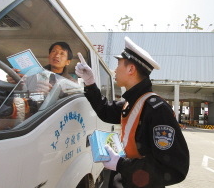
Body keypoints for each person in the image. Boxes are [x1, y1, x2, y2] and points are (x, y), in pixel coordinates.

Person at [75, 37, 190, 188]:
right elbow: (105, 110)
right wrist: (90, 83)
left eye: (118, 64)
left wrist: (121, 165)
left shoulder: (157, 110)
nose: (115, 70)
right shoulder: (132, 103)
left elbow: (174, 167)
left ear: (131, 69)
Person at [6, 41, 77, 86]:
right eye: (54, 51)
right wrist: (14, 82)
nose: (57, 55)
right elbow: (23, 91)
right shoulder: (34, 74)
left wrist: (52, 92)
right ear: (49, 56)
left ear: (68, 62)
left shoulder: (71, 83)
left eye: (62, 54)